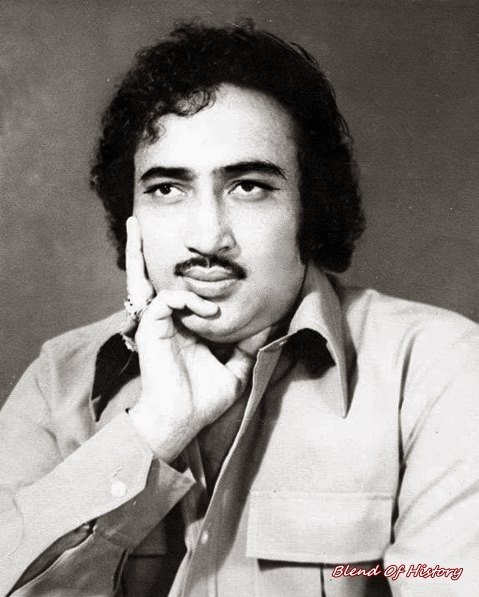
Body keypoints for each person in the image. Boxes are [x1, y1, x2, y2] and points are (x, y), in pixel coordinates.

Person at [0, 21, 478, 597]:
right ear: (131, 217)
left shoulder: (440, 369)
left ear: (309, 207)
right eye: (167, 189)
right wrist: (154, 429)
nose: (207, 237)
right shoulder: (58, 378)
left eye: (248, 186)